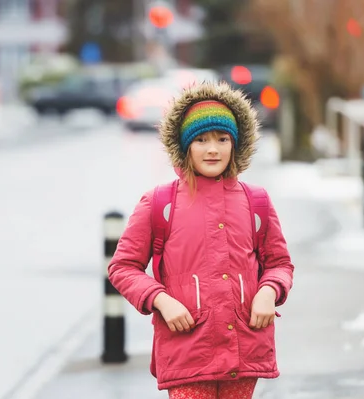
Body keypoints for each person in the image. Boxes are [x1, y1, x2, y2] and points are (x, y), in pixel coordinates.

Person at [107, 82, 295, 399]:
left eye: (223, 139)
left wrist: (269, 291)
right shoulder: (159, 202)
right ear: (185, 147)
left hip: (244, 348)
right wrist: (162, 300)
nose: (213, 149)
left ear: (236, 145)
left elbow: (279, 263)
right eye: (201, 140)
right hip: (187, 349)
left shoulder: (256, 201)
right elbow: (123, 267)